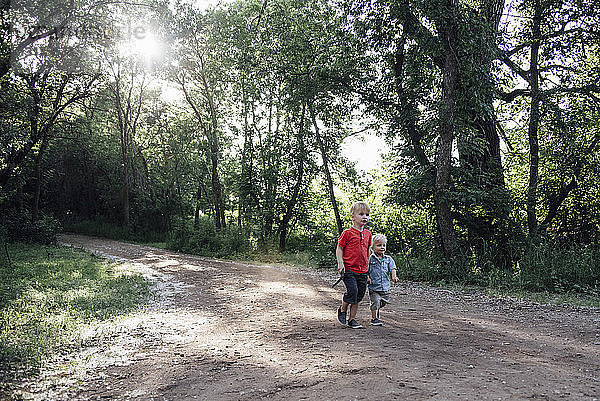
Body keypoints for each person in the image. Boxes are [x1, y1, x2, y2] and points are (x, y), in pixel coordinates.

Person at [336, 201, 372, 329]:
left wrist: (368, 271)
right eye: (361, 214)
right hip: (349, 269)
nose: (365, 217)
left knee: (358, 296)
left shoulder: (368, 234)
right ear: (352, 216)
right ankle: (343, 309)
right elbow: (339, 248)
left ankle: (352, 320)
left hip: (363, 271)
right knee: (353, 291)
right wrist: (341, 263)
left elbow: (367, 251)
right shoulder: (347, 233)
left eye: (367, 214)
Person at [367, 234, 398, 326]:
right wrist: (367, 277)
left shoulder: (388, 259)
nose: (382, 247)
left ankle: (376, 308)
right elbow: (365, 269)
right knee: (375, 301)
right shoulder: (370, 259)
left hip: (385, 287)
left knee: (384, 301)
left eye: (384, 245)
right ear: (372, 248)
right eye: (379, 245)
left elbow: (393, 268)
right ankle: (374, 318)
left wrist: (394, 276)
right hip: (374, 286)